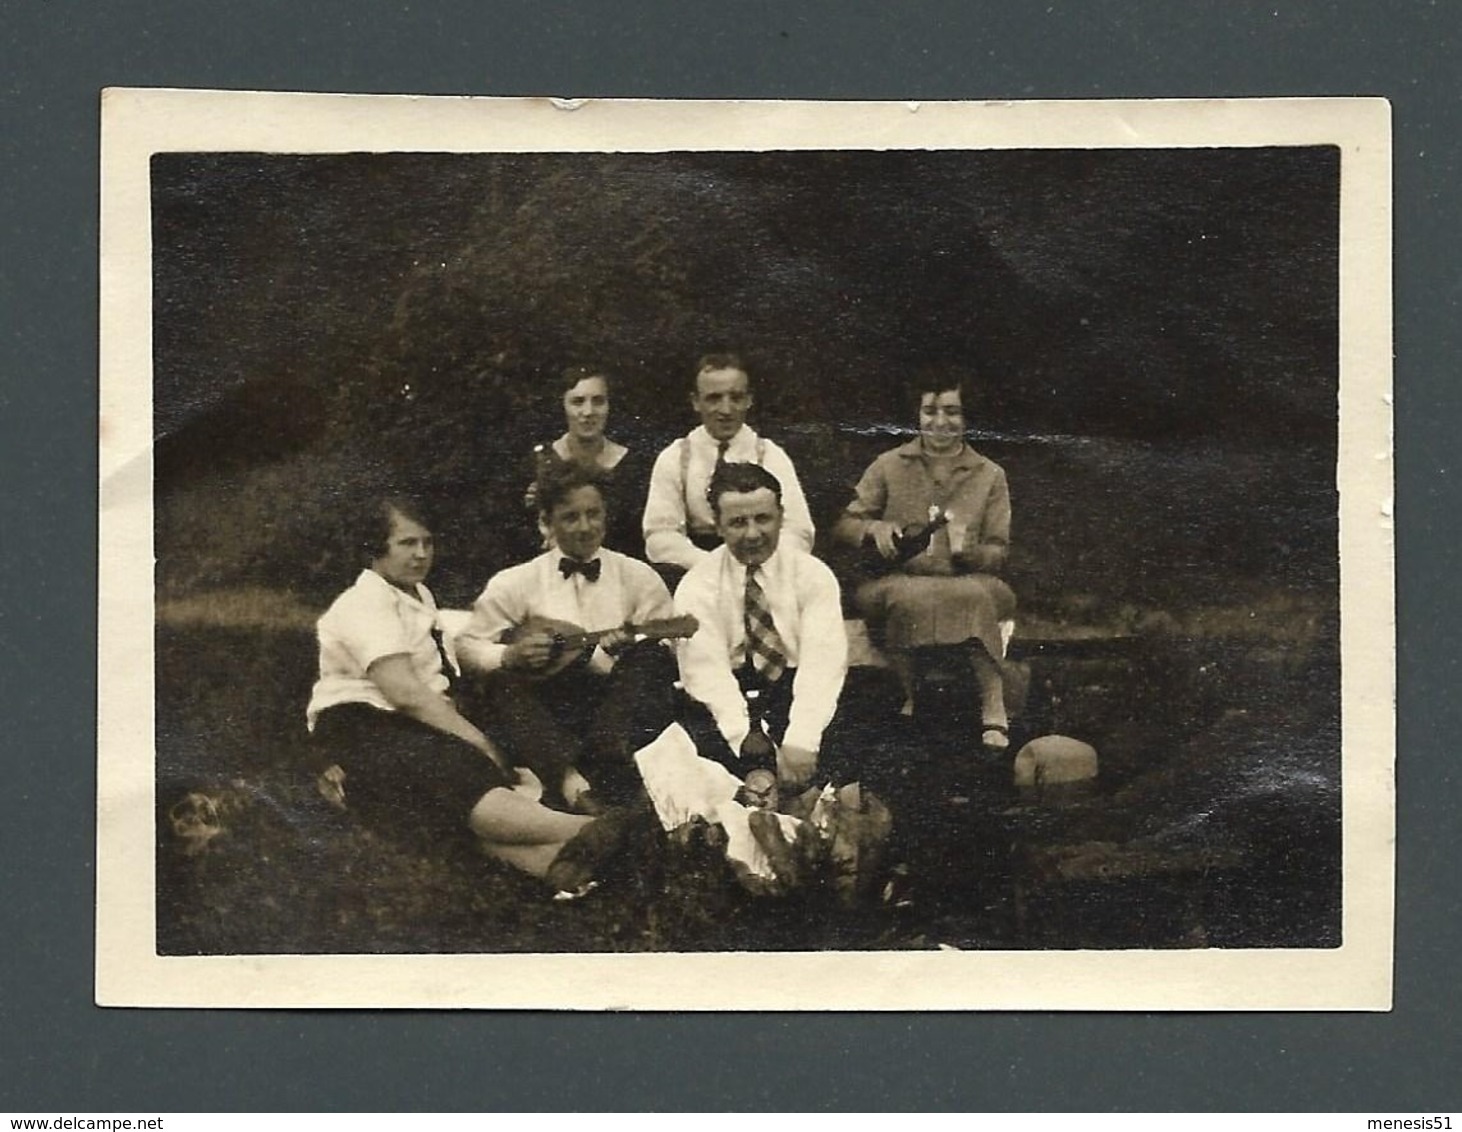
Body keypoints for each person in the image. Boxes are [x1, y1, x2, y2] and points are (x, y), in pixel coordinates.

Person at [305, 494, 626, 896]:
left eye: (428, 542)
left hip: (411, 720)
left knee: (450, 796)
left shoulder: (414, 594)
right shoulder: (364, 602)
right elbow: (404, 691)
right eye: (408, 543)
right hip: (366, 723)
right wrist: (478, 741)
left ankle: (570, 863)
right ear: (375, 548)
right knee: (455, 769)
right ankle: (597, 830)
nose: (422, 554)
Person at [456, 467, 682, 811]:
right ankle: (573, 784)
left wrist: (628, 648)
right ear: (547, 522)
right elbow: (467, 645)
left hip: (618, 706)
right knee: (500, 682)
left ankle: (603, 763)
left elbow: (668, 643)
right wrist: (509, 655)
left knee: (651, 657)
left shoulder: (637, 576)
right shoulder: (517, 581)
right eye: (570, 517)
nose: (585, 527)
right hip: (549, 707)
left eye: (594, 514)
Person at [832, 376, 1017, 753]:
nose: (939, 422)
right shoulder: (889, 465)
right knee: (908, 597)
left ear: (968, 419)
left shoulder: (989, 474)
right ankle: (908, 694)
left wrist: (974, 553)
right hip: (899, 578)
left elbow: (1000, 549)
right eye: (929, 411)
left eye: (951, 411)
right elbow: (845, 525)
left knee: (974, 595)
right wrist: (874, 528)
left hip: (969, 578)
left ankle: (993, 703)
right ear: (916, 415)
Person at [673, 462, 848, 791]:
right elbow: (707, 676)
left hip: (797, 689)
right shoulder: (697, 586)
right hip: (732, 698)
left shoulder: (812, 575)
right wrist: (751, 747)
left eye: (763, 518)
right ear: (718, 526)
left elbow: (822, 664)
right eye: (738, 522)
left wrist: (802, 741)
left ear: (781, 516)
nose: (753, 534)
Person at [642, 354, 814, 581]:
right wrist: (712, 567)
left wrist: (761, 562)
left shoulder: (770, 455)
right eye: (714, 398)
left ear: (749, 399)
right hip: (698, 570)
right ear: (695, 401)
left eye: (736, 397)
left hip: (764, 566)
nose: (726, 409)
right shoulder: (675, 457)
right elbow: (660, 534)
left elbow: (798, 530)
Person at [524, 365, 648, 558]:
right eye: (578, 402)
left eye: (598, 401)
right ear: (563, 406)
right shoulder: (540, 461)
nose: (588, 411)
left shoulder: (633, 466)